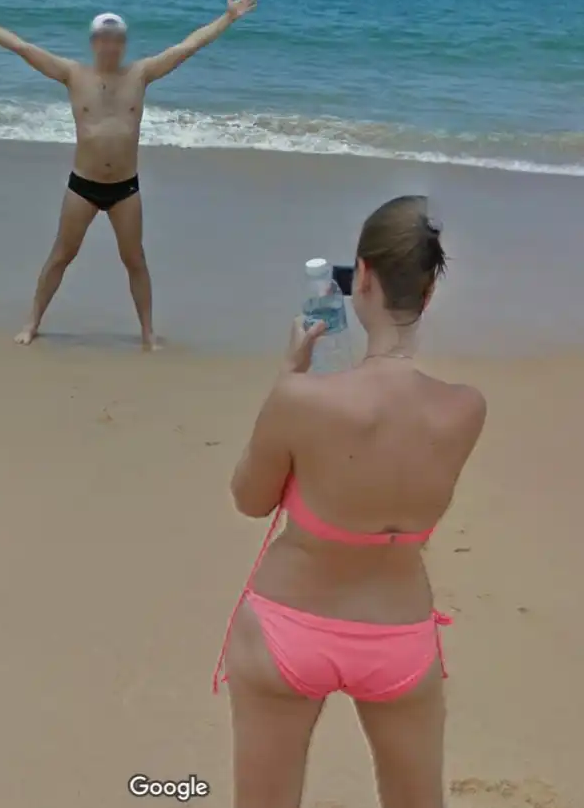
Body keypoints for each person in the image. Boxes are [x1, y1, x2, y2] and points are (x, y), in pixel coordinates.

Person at [212, 195, 488, 808]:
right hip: (397, 631)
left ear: (360, 276)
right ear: (429, 292)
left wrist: (290, 376)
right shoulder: (465, 408)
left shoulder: (303, 399)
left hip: (290, 623)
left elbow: (250, 499)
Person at [0, 0, 259, 349]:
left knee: (135, 260)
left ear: (124, 43)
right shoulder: (73, 74)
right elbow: (21, 47)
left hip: (125, 188)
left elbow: (188, 46)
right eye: (104, 38)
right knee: (61, 255)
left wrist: (228, 18)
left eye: (116, 38)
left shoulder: (141, 73)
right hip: (83, 186)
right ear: (93, 42)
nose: (110, 44)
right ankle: (32, 323)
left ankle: (148, 333)